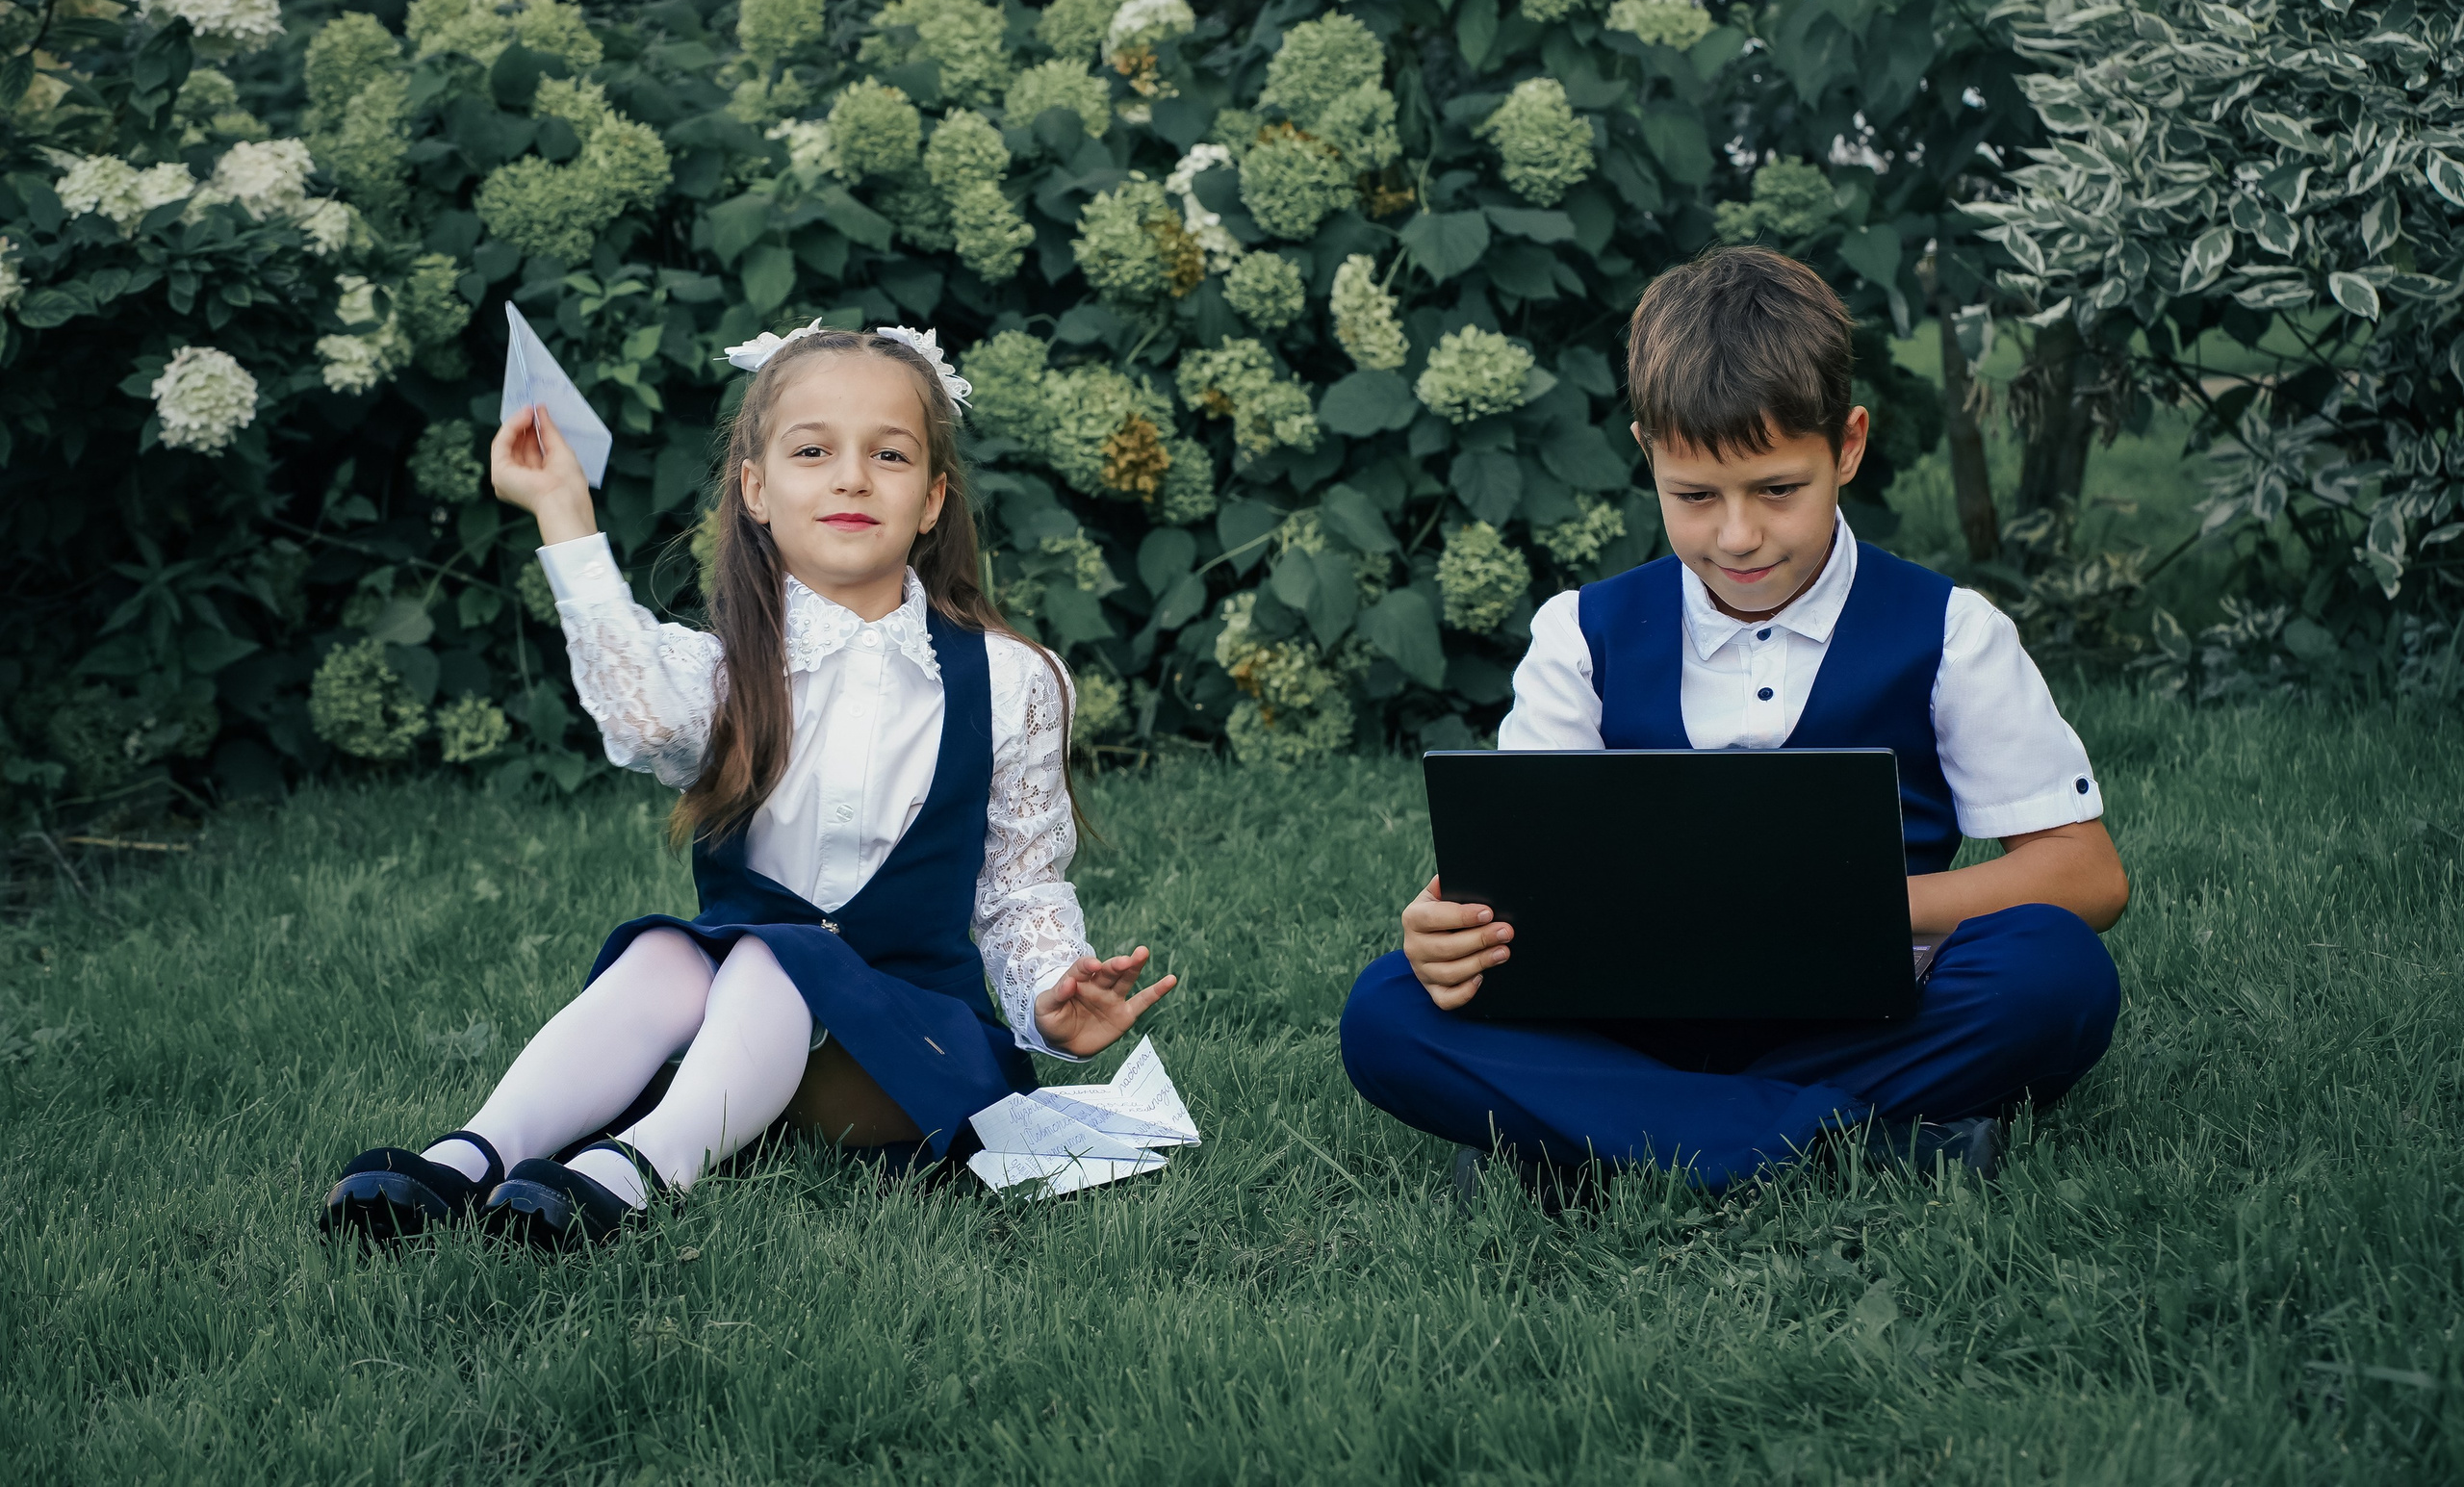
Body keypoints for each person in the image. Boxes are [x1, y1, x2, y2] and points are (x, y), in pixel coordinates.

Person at [321, 323, 1174, 1245]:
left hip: (911, 1056)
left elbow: (1020, 886)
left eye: (888, 454)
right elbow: (640, 716)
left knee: (776, 954)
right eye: (813, 450)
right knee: (668, 951)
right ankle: (473, 1154)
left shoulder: (1013, 680)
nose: (852, 476)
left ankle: (640, 1167)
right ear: (756, 490)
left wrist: (1052, 993)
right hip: (744, 1043)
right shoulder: (723, 671)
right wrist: (564, 514)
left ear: (932, 500)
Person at [1339, 247, 2128, 1194]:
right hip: (1625, 1009)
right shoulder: (1579, 636)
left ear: (1846, 446)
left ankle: (1601, 1134)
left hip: (1868, 1005)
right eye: (1695, 497)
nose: (1737, 536)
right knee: (1387, 1008)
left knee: (2055, 975)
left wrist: (1853, 915)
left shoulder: (1951, 631)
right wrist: (1443, 928)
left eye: (1777, 490)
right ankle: (1840, 1140)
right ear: (1649, 457)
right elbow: (1516, 873)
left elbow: (2086, 875)